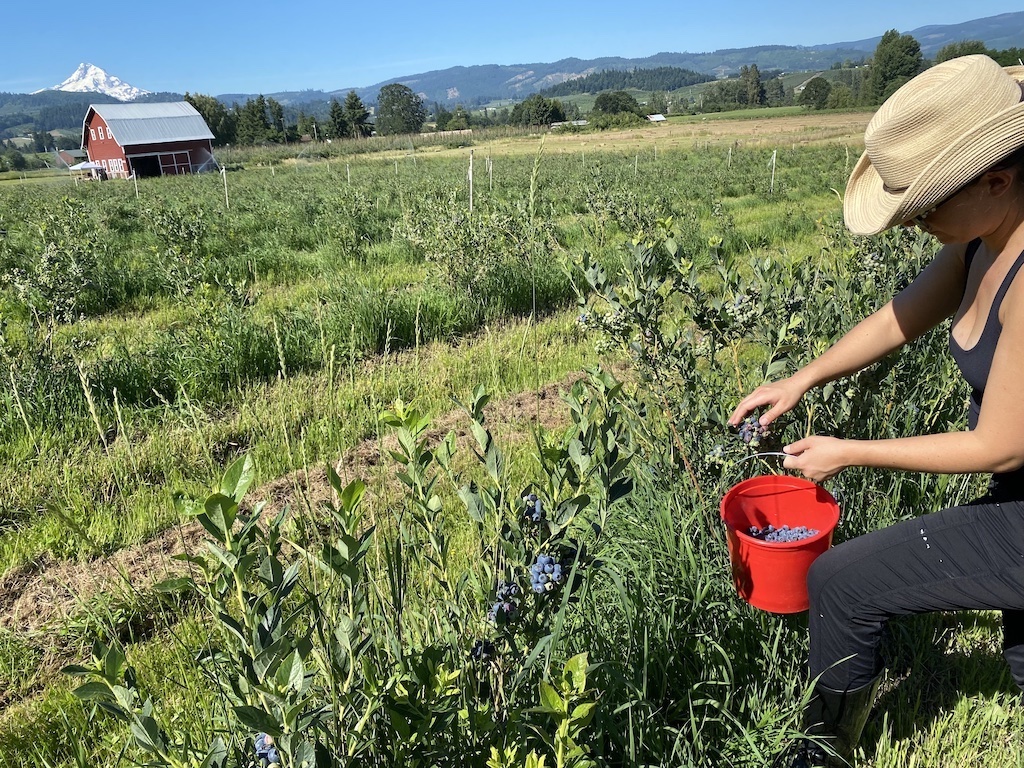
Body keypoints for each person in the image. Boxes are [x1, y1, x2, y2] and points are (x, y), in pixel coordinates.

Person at [728, 54, 1024, 767]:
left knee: (843, 580)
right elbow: (900, 316)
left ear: (996, 177)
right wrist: (803, 379)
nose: (915, 222)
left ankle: (817, 756)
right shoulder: (984, 241)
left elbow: (999, 446)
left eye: (926, 206)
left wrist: (849, 449)